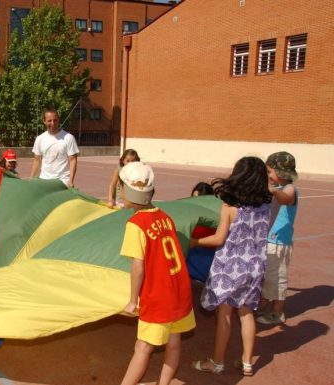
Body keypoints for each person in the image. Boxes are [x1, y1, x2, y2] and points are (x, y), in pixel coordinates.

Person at [191, 157, 272, 377]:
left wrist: (194, 242)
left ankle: (217, 362)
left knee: (224, 314)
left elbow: (218, 239)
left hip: (230, 267)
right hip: (255, 266)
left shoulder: (230, 207)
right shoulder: (266, 206)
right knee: (246, 313)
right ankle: (247, 362)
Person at [117, 162, 195, 385]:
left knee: (142, 347)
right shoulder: (165, 217)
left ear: (129, 191)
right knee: (174, 341)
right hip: (179, 290)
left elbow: (138, 267)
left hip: (159, 296)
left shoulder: (135, 224)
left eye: (122, 187)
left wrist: (133, 301)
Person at [257, 152, 299, 326]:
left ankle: (277, 313)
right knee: (267, 277)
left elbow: (286, 198)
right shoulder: (276, 188)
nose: (268, 176)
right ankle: (262, 305)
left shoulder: (289, 189)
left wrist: (273, 190)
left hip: (279, 243)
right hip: (269, 241)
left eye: (270, 172)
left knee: (277, 278)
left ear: (281, 173)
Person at [29, 108, 79, 188]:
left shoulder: (69, 138)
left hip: (62, 182)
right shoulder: (40, 139)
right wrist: (31, 178)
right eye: (49, 121)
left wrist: (70, 181)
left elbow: (73, 160)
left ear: (58, 120)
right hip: (44, 181)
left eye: (55, 120)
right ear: (44, 121)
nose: (53, 123)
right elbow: (36, 160)